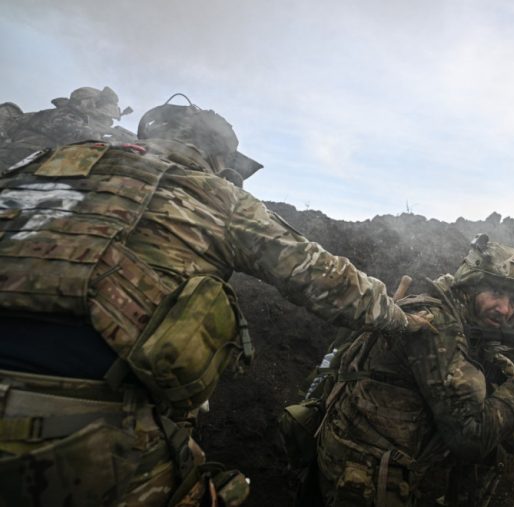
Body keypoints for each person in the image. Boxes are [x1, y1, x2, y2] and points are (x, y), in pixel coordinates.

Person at [0, 95, 430, 506]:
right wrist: (398, 317)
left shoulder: (38, 164)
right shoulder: (219, 197)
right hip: (90, 440)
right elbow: (323, 279)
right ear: (220, 159)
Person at [314, 234, 514, 506]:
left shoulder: (474, 332)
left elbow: (506, 423)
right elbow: (470, 438)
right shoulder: (435, 326)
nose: (505, 309)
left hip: (397, 465)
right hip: (362, 475)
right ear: (470, 285)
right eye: (496, 293)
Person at [0, 86, 136, 169]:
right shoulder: (61, 115)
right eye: (103, 119)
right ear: (87, 105)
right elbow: (79, 137)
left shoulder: (67, 116)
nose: (106, 123)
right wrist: (115, 141)